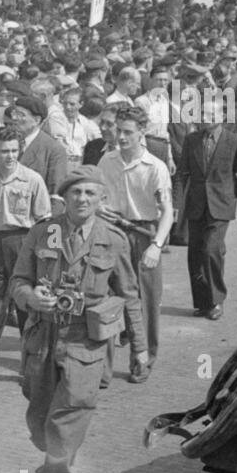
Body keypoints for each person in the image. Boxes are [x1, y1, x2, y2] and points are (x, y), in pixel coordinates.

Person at [9, 166, 147, 473]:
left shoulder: (113, 239)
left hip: (86, 344)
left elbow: (130, 295)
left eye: (90, 193)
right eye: (75, 193)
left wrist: (140, 350)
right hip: (42, 340)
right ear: (63, 198)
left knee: (66, 419)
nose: (82, 200)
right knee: (40, 421)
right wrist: (30, 299)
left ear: (101, 198)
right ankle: (63, 464)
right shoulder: (43, 232)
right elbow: (18, 281)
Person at [97, 105, 173, 383]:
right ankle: (102, 370)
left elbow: (167, 212)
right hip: (113, 231)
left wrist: (156, 245)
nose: (121, 136)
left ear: (142, 132)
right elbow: (98, 197)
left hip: (144, 233)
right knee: (105, 298)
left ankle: (144, 359)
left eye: (128, 131)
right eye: (118, 130)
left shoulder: (156, 167)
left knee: (146, 300)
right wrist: (99, 208)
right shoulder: (107, 161)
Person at [0, 126, 51, 367]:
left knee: (25, 303)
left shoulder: (32, 179)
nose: (10, 156)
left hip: (22, 242)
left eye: (15, 150)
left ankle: (31, 361)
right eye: (4, 151)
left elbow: (45, 219)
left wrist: (47, 256)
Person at [173, 113, 237, 321]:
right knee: (195, 255)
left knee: (211, 249)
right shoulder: (191, 140)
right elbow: (182, 174)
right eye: (202, 114)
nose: (205, 118)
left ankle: (217, 300)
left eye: (211, 114)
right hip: (196, 205)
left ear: (222, 117)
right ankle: (202, 302)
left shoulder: (235, 141)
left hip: (221, 205)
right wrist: (175, 205)